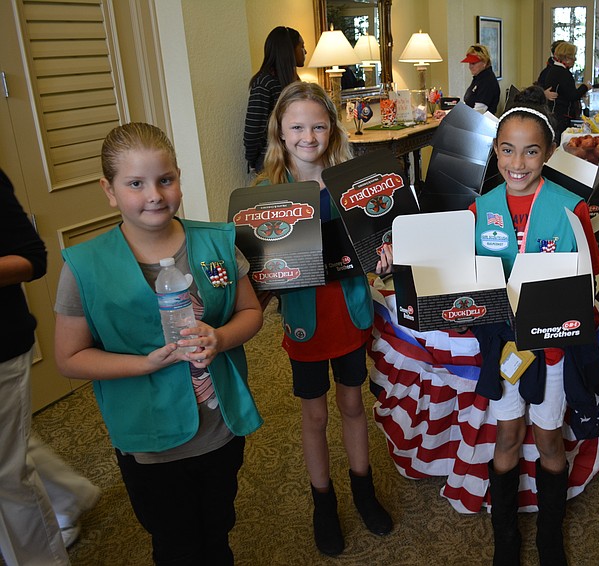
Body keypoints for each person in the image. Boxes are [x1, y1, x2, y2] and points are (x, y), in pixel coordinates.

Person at [54, 123, 265, 565]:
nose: (154, 194)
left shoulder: (217, 241)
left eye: (165, 180)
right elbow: (70, 357)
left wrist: (221, 336)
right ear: (109, 191)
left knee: (218, 528)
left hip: (218, 428)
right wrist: (144, 364)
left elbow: (250, 313)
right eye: (135, 183)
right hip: (150, 442)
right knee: (175, 544)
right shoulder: (85, 266)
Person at [256, 81, 394, 556]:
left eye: (317, 125)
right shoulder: (268, 194)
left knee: (353, 405)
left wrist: (385, 253)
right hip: (304, 320)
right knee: (313, 415)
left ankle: (363, 488)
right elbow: (261, 267)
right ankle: (323, 501)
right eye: (297, 126)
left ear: (332, 130)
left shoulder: (353, 183)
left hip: (349, 311)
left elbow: (378, 236)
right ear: (281, 131)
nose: (308, 136)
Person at [470, 86, 599, 566]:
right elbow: (460, 275)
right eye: (507, 149)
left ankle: (550, 535)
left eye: (531, 150)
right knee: (507, 434)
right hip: (507, 347)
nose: (518, 162)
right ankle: (504, 536)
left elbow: (589, 274)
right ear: (495, 151)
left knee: (549, 437)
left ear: (548, 153)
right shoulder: (479, 209)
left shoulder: (571, 208)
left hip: (551, 349)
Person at [1, 168, 101, 565]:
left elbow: (32, 257)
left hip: (2, 342)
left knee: (6, 476)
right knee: (10, 444)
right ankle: (67, 493)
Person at [243, 26, 306, 173]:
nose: (305, 51)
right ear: (289, 50)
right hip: (273, 161)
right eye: (301, 46)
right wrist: (254, 161)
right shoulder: (264, 83)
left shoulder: (292, 82)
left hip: (295, 159)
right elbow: (253, 130)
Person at [541, 41, 592, 139]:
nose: (575, 59)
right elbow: (572, 96)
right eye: (573, 56)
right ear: (567, 58)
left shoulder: (554, 70)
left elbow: (564, 92)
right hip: (561, 116)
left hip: (553, 114)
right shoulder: (563, 73)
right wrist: (585, 87)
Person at [461, 44, 501, 115]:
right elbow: (469, 103)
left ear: (484, 63)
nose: (470, 67)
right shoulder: (478, 77)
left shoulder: (487, 81)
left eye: (473, 63)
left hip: (479, 123)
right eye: (469, 63)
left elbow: (478, 112)